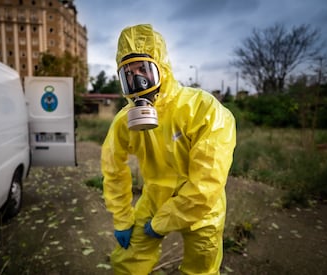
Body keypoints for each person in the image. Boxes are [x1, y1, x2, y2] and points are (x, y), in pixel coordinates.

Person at [101, 24, 236, 275]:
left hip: (202, 207)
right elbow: (112, 168)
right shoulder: (124, 121)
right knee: (128, 262)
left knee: (201, 269)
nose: (137, 79)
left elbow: (208, 182)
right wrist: (122, 218)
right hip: (155, 197)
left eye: (143, 68)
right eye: (128, 73)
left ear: (161, 67)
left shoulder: (204, 109)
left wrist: (164, 222)